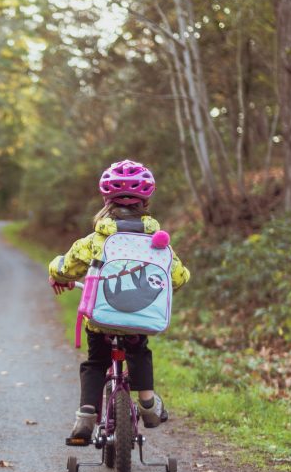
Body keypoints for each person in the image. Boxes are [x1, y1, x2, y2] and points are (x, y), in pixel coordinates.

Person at [48, 159, 190, 440]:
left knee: (95, 362)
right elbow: (179, 277)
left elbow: (67, 266)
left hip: (102, 320)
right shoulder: (157, 242)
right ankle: (148, 403)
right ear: (146, 202)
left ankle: (86, 416)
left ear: (106, 200)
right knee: (139, 352)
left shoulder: (96, 240)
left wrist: (56, 272)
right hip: (139, 322)